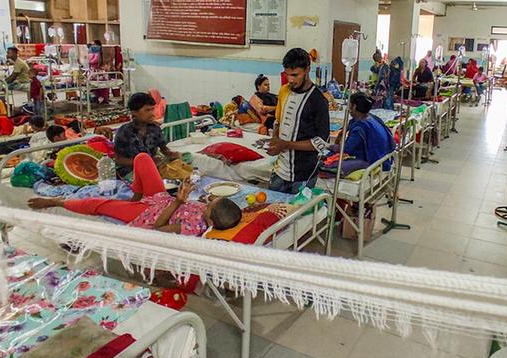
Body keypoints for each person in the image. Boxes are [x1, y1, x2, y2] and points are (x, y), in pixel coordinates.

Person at [28, 153, 241, 235]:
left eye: (209, 207)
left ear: (210, 221)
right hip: (160, 199)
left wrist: (178, 202)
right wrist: (192, 191)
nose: (207, 204)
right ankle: (135, 197)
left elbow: (159, 227)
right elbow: (205, 201)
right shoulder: (207, 211)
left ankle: (57, 201)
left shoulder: (194, 227)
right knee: (142, 158)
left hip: (147, 215)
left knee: (98, 204)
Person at [267, 47, 330, 194]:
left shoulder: (318, 100)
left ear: (307, 69)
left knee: (298, 209)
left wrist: (285, 144)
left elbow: (322, 142)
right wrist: (275, 139)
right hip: (280, 171)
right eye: (287, 74)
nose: (290, 80)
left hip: (304, 175)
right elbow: (278, 121)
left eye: (295, 75)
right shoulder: (284, 91)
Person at [114, 92, 180, 178]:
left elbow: (164, 149)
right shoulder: (124, 132)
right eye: (148, 110)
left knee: (187, 157)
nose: (152, 114)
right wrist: (146, 162)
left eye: (153, 109)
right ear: (134, 113)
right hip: (131, 171)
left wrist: (171, 154)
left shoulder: (155, 129)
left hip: (152, 168)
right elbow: (119, 160)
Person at [337, 92, 395, 170]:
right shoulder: (371, 117)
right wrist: (341, 133)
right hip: (384, 158)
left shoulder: (360, 128)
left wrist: (328, 146)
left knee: (334, 165)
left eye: (350, 105)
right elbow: (351, 124)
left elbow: (347, 149)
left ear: (354, 106)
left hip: (373, 162)